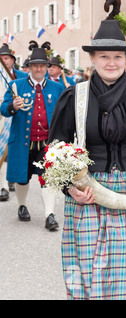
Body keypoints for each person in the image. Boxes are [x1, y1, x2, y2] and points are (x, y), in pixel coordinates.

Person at [47, 17, 126, 299]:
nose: (111, 62)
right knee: (91, 277)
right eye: (104, 56)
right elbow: (54, 149)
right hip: (89, 194)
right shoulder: (75, 96)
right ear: (92, 58)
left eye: (118, 56)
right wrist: (70, 188)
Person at [0, 40, 65, 230]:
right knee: (22, 177)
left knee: (48, 178)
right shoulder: (15, 85)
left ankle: (49, 214)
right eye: (35, 65)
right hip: (22, 141)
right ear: (29, 67)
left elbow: (63, 114)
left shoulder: (57, 88)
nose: (38, 68)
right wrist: (13, 106)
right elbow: (3, 109)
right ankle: (22, 206)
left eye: (42, 65)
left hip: (47, 143)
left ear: (47, 67)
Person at [0, 43, 28, 201]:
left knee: (14, 148)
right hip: (3, 114)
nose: (4, 61)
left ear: (12, 60)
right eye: (2, 58)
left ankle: (11, 178)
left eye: (6, 58)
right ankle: (3, 185)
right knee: (2, 150)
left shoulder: (21, 76)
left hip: (19, 117)